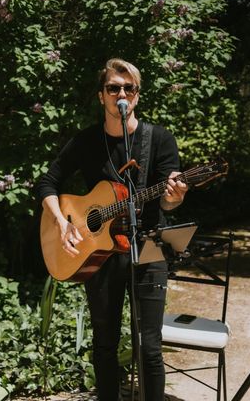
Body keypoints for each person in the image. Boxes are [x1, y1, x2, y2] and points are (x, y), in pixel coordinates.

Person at [35, 58, 188, 401]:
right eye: (113, 88)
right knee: (104, 344)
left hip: (148, 248)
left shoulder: (159, 139)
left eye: (128, 88)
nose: (122, 93)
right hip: (101, 253)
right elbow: (47, 182)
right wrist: (62, 223)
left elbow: (167, 203)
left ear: (137, 95)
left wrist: (175, 198)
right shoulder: (86, 141)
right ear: (101, 96)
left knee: (148, 347)